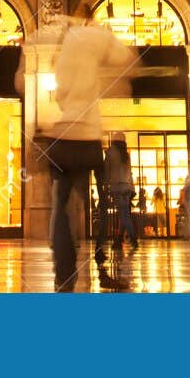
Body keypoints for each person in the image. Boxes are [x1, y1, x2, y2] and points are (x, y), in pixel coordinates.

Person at [35, 16, 136, 290]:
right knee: (102, 205)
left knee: (60, 206)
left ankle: (64, 274)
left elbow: (58, 93)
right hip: (86, 135)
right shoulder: (95, 36)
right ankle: (102, 262)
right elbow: (127, 58)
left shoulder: (64, 42)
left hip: (62, 135)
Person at [103, 137, 137, 251]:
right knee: (124, 214)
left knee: (124, 215)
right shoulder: (126, 155)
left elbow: (107, 170)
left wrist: (106, 184)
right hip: (127, 187)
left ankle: (133, 238)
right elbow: (130, 172)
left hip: (117, 187)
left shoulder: (110, 153)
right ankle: (119, 239)